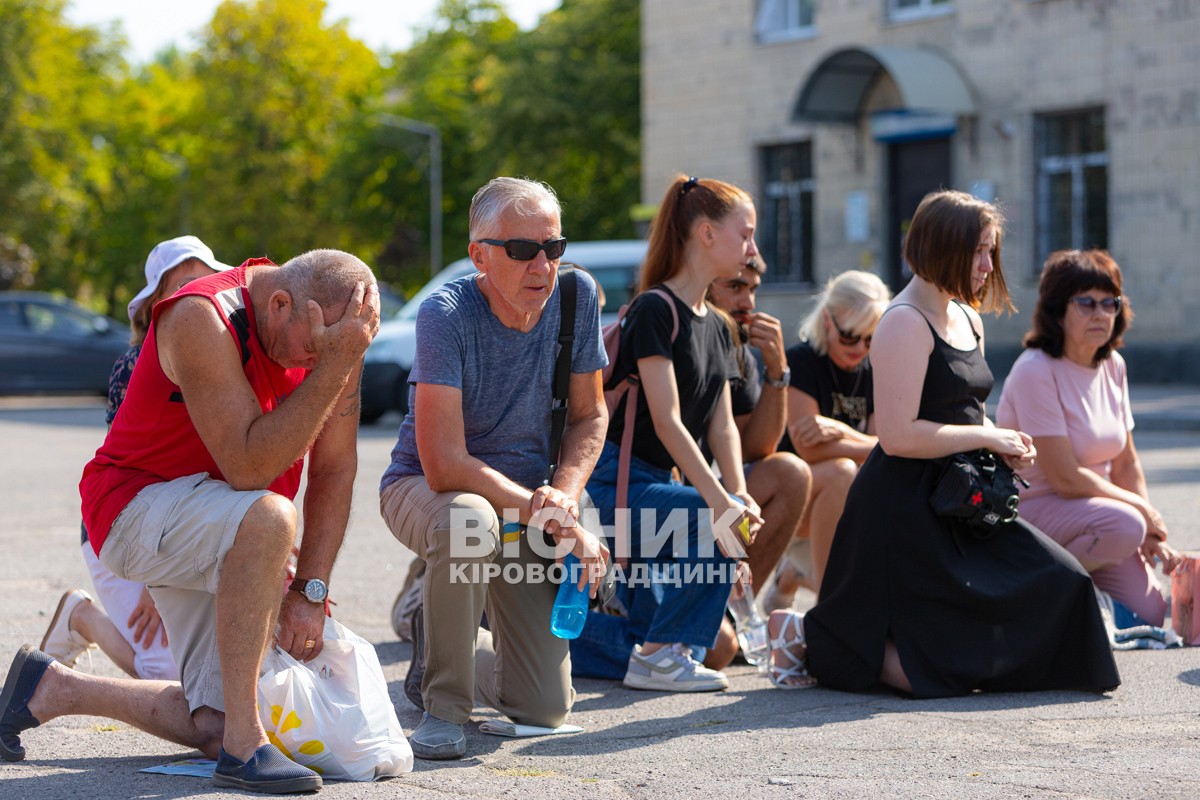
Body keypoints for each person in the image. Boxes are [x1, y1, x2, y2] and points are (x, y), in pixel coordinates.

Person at [3, 249, 380, 795]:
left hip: (223, 521)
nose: (320, 363)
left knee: (214, 723)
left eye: (334, 355)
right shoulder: (199, 317)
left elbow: (337, 469)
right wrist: (339, 364)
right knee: (272, 514)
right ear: (278, 304)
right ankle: (245, 752)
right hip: (129, 509)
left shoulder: (338, 333)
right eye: (313, 351)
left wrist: (310, 590)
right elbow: (248, 469)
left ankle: (51, 689)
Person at [776, 189, 1119, 696]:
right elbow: (894, 437)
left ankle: (828, 634)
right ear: (944, 247)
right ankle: (805, 634)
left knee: (1065, 582)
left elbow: (966, 409)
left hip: (965, 498)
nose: (988, 264)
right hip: (903, 509)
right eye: (979, 250)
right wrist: (986, 433)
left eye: (991, 250)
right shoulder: (902, 321)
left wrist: (1000, 443)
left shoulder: (969, 318)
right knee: (933, 676)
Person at [379, 177, 610, 761]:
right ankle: (442, 709)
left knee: (544, 708)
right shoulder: (445, 312)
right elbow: (444, 462)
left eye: (553, 248)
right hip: (427, 489)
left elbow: (590, 415)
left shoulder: (578, 299)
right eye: (522, 249)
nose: (543, 264)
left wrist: (563, 496)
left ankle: (439, 638)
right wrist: (542, 507)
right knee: (468, 520)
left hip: (523, 500)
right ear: (478, 255)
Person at [577, 175, 762, 691]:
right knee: (714, 520)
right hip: (616, 487)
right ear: (706, 233)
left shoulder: (719, 325)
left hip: (661, 483)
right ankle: (659, 657)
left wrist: (740, 494)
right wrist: (720, 504)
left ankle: (533, 636)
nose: (752, 249)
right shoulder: (655, 310)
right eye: (745, 234)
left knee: (672, 637)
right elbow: (668, 420)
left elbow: (722, 424)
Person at [41, 236, 229, 681]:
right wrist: (152, 579)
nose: (200, 295)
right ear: (153, 309)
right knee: (164, 675)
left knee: (218, 673)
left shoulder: (231, 361)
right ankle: (79, 617)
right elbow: (133, 479)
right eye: (185, 286)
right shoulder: (133, 366)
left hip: (194, 529)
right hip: (128, 531)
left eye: (209, 282)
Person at [996, 249, 1181, 626]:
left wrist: (1153, 535)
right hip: (1035, 511)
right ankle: (1032, 592)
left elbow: (1126, 461)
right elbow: (1064, 479)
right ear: (1057, 310)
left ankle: (1080, 593)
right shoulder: (1036, 370)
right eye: (1086, 303)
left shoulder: (1113, 365)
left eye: (1109, 303)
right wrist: (1140, 515)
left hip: (1097, 515)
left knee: (1154, 615)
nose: (1100, 313)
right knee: (1126, 524)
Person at [698, 255, 811, 669]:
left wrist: (778, 370)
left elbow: (757, 449)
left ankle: (730, 616)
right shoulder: (682, 331)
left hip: (699, 500)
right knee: (712, 652)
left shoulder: (737, 346)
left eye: (753, 289)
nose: (748, 301)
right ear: (704, 286)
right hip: (642, 509)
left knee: (790, 473)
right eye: (735, 287)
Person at [767, 270, 890, 604]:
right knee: (841, 472)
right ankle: (829, 608)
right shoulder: (802, 361)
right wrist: (867, 445)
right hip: (787, 503)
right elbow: (808, 448)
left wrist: (841, 432)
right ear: (827, 321)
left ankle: (794, 576)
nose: (860, 348)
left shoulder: (874, 371)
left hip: (842, 505)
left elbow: (887, 450)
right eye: (850, 336)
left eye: (871, 338)